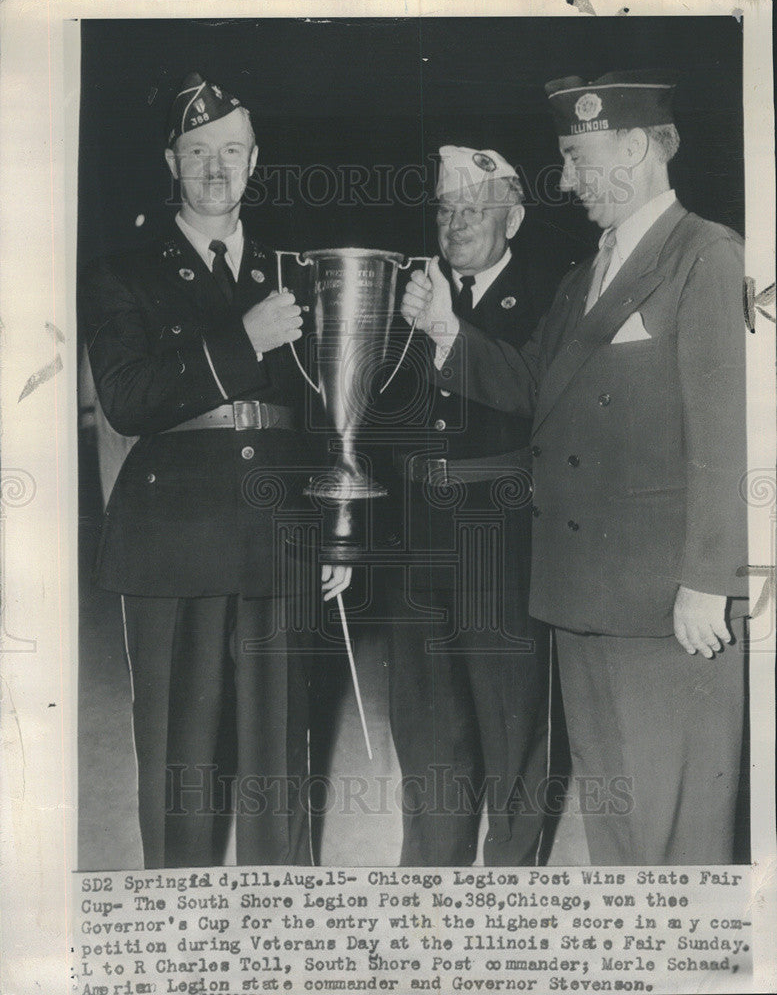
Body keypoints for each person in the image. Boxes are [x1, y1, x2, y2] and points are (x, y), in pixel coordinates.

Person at [400, 71, 748, 866]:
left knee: (676, 816)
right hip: (579, 593)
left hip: (664, 597)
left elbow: (724, 432)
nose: (568, 180)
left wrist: (707, 578)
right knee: (617, 820)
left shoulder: (703, 255)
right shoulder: (584, 275)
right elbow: (531, 387)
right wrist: (447, 334)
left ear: (635, 147)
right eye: (564, 160)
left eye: (579, 158)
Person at [80, 73, 351, 869]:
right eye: (197, 151)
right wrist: (245, 340)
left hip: (280, 532)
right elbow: (128, 399)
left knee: (281, 751)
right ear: (171, 162)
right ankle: (176, 923)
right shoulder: (120, 271)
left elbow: (324, 409)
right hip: (172, 535)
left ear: (255, 161)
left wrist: (336, 523)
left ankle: (279, 921)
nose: (215, 167)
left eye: (231, 151)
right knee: (180, 754)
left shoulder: (293, 271)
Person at [384, 146, 558, 866]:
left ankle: (510, 884)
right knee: (426, 722)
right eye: (445, 208)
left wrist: (448, 332)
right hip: (417, 527)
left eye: (474, 209)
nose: (456, 223)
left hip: (504, 525)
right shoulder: (408, 292)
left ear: (511, 217)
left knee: (511, 719)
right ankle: (430, 879)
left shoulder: (554, 290)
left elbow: (531, 389)